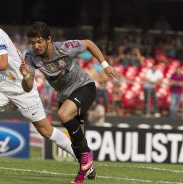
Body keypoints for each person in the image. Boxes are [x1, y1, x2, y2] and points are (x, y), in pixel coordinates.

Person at [0, 5, 76, 173]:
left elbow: (2, 63)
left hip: (22, 88)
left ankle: (82, 157)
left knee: (45, 130)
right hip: (1, 88)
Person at [20, 22, 121, 184]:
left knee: (63, 115)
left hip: (84, 87)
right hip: (64, 97)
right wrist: (25, 76)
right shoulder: (31, 57)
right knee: (77, 143)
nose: (36, 46)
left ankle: (87, 154)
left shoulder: (65, 47)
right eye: (33, 42)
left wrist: (105, 66)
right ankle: (84, 172)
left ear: (49, 40)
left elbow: (88, 43)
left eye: (39, 41)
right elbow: (28, 87)